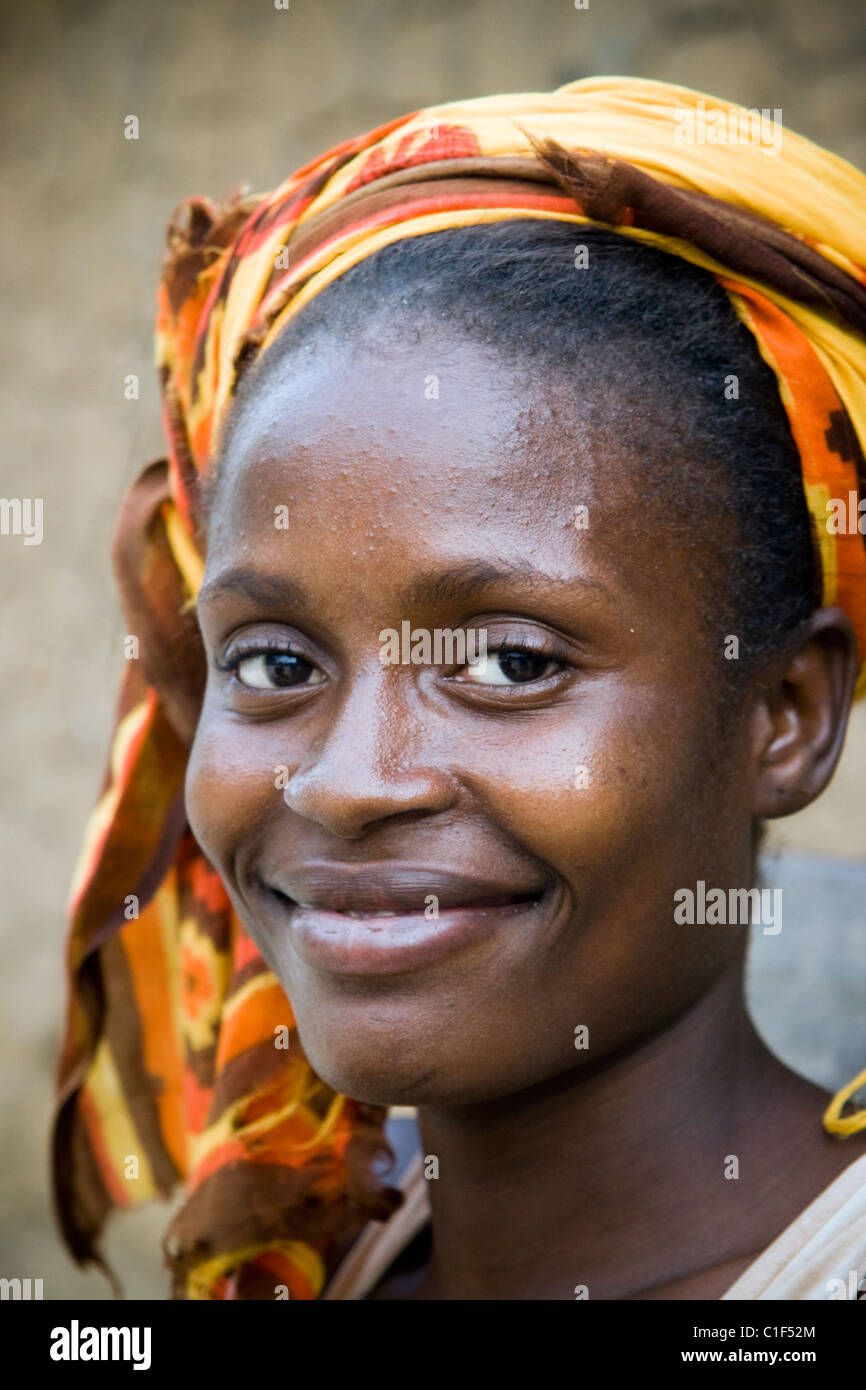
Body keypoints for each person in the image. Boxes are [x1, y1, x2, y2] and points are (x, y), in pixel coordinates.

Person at [53, 76, 866, 1301]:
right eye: (275, 663)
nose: (345, 783)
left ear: (785, 716)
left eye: (510, 662)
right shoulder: (331, 1257)